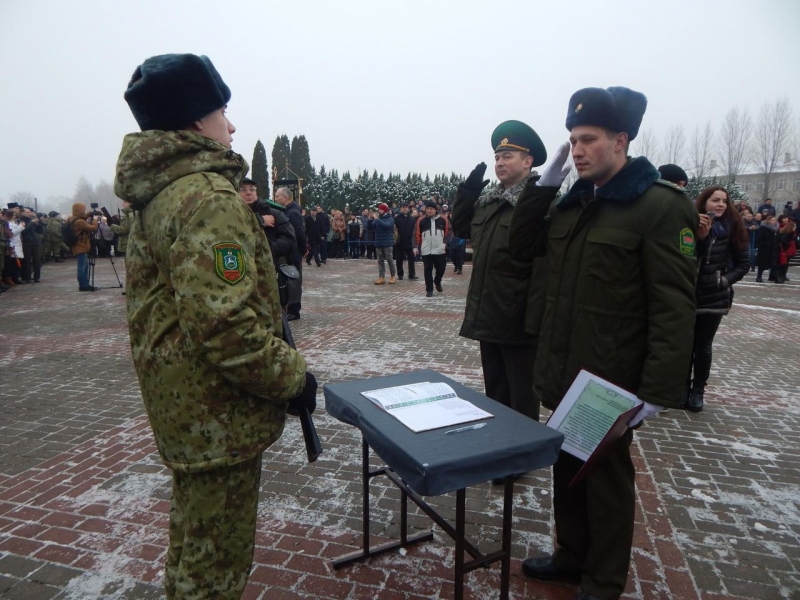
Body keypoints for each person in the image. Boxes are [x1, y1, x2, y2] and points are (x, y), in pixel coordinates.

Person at [114, 53, 316, 599]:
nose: (232, 125)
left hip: (186, 408)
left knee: (193, 547)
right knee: (216, 567)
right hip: (216, 414)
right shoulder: (205, 195)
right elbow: (225, 327)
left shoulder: (161, 191)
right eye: (222, 111)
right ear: (196, 120)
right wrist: (293, 377)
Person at [511, 86, 698, 600]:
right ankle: (572, 556)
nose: (577, 150)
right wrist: (546, 183)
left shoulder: (658, 206)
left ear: (621, 140)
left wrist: (659, 392)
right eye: (572, 141)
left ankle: (603, 579)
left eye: (588, 139)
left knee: (607, 483)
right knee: (567, 467)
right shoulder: (574, 204)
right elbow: (520, 245)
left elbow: (673, 305)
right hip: (566, 369)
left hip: (612, 380)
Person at [451, 120, 549, 430]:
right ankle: (498, 445)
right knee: (495, 389)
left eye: (508, 156)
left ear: (527, 161)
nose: (500, 163)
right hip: (490, 312)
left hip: (519, 317)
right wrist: (468, 193)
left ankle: (520, 452)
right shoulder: (490, 201)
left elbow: (544, 267)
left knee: (521, 393)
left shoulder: (539, 204)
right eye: (497, 157)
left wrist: (534, 321)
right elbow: (462, 228)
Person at [682, 186, 750, 412]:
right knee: (685, 345)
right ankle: (682, 388)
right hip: (688, 294)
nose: (720, 204)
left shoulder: (733, 228)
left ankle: (698, 390)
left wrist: (723, 281)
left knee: (703, 346)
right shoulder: (690, 225)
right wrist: (700, 238)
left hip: (715, 296)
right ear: (704, 203)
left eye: (724, 201)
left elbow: (743, 264)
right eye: (715, 200)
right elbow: (684, 256)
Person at [238, 178, 296, 263]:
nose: (249, 193)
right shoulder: (229, 214)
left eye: (252, 189)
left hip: (267, 268)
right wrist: (259, 221)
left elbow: (290, 241)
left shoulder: (273, 214)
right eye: (242, 189)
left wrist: (268, 249)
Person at [274, 186, 306, 320]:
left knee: (293, 281)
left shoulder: (292, 213)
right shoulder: (286, 211)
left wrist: (301, 250)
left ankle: (294, 310)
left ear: (286, 198)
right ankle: (289, 308)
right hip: (288, 253)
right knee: (287, 281)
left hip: (293, 253)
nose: (275, 198)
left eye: (278, 196)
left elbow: (299, 234)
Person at [415, 200, 447, 297]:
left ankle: (437, 281)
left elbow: (449, 232)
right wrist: (415, 246)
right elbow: (416, 234)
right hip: (426, 250)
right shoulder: (421, 220)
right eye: (427, 209)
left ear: (435, 210)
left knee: (441, 268)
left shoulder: (443, 219)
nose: (429, 211)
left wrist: (445, 243)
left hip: (440, 249)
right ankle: (429, 290)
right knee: (427, 270)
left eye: (431, 209)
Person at [69, 203, 100, 291]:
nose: (84, 211)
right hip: (81, 245)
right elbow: (93, 228)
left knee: (84, 265)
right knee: (82, 266)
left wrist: (88, 214)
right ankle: (83, 284)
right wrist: (95, 219)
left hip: (79, 245)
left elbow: (81, 218)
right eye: (83, 210)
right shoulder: (80, 222)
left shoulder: (72, 219)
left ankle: (85, 283)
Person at [373, 203, 397, 284]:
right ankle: (381, 277)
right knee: (380, 261)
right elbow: (370, 227)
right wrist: (370, 220)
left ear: (385, 210)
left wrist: (377, 219)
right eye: (379, 209)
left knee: (390, 260)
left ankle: (393, 276)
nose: (379, 211)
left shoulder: (390, 218)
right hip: (378, 242)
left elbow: (387, 226)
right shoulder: (378, 218)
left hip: (387, 243)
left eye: (381, 209)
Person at [394, 203, 417, 280]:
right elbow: (394, 230)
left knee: (411, 259)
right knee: (399, 259)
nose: (405, 209)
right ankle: (400, 274)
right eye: (403, 207)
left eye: (406, 207)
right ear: (401, 209)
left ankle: (412, 274)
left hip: (409, 241)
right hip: (400, 242)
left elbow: (414, 230)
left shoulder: (411, 218)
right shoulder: (397, 218)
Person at [755, 215, 779, 282]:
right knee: (762, 264)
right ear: (768, 221)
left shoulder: (776, 229)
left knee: (773, 263)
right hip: (764, 249)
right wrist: (764, 244)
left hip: (773, 248)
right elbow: (759, 238)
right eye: (772, 220)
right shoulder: (763, 228)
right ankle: (759, 277)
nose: (774, 222)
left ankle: (772, 276)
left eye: (775, 220)